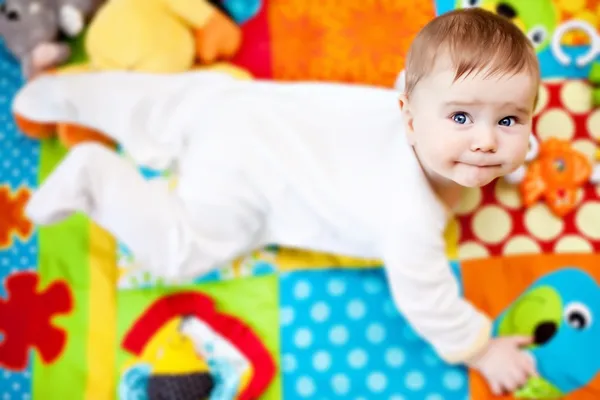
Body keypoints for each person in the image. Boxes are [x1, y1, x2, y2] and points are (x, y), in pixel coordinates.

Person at [13, 7, 540, 395]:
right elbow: (429, 301)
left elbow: (481, 129)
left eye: (510, 120)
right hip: (243, 188)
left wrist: (509, 145)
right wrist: (479, 348)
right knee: (181, 250)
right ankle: (95, 179)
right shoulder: (412, 221)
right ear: (408, 111)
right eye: (463, 118)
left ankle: (65, 95)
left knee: (154, 102)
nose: (487, 142)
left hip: (234, 108)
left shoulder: (416, 102)